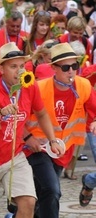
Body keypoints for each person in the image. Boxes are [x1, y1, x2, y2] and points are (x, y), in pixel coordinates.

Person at [0, 42, 64, 218]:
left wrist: (53, 139)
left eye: (22, 66)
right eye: (13, 67)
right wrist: (0, 111)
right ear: (1, 69)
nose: (19, 71)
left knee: (28, 201)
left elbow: (41, 114)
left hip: (14, 156)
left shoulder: (29, 86)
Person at [25, 43, 96, 217]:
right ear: (54, 68)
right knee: (52, 190)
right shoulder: (39, 88)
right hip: (38, 148)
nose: (71, 71)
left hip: (62, 150)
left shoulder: (84, 86)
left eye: (74, 66)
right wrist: (28, 138)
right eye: (65, 67)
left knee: (43, 193)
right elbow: (20, 117)